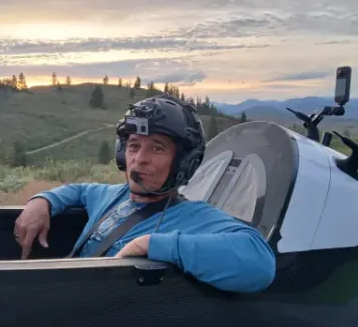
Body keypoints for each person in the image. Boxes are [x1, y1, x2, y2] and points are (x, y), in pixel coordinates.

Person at [14, 94, 276, 293]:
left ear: (183, 162)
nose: (139, 159)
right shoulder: (110, 195)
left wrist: (154, 244)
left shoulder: (195, 218)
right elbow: (80, 191)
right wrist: (43, 200)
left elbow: (260, 262)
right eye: (134, 146)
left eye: (157, 149)